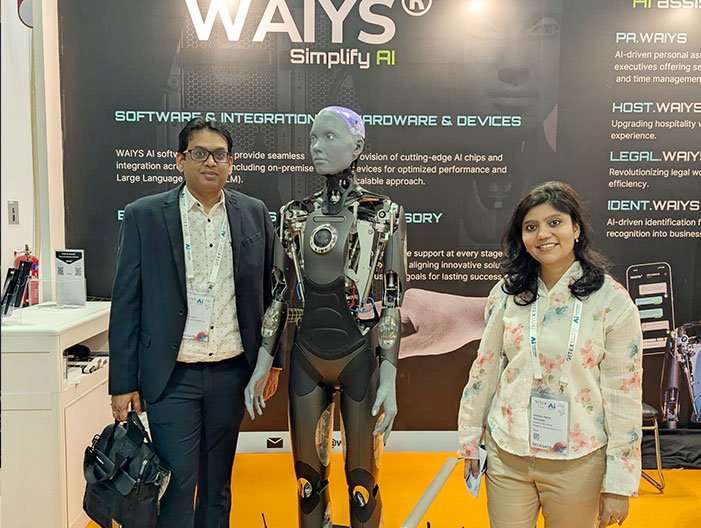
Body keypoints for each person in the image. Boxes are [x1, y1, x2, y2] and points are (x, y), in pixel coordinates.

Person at [108, 117, 282, 527]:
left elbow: (274, 294)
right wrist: (122, 382)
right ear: (180, 160)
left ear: (231, 163)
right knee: (176, 485)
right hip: (173, 376)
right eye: (200, 153)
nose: (210, 162)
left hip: (231, 372)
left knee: (218, 486)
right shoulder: (145, 215)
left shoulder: (254, 213)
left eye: (220, 155)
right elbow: (127, 303)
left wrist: (272, 362)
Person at [244, 106, 406, 527]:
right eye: (313, 138)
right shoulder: (293, 214)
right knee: (307, 483)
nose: (317, 147)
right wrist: (263, 361)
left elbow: (392, 298)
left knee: (362, 485)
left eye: (329, 137)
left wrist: (389, 375)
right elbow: (279, 294)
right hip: (307, 358)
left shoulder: (384, 212)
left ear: (358, 145)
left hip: (361, 359)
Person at [458, 181, 643, 528]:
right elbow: (485, 369)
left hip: (578, 462)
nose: (543, 234)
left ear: (576, 228)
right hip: (508, 453)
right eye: (531, 227)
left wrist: (619, 483)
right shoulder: (507, 293)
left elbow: (624, 393)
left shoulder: (611, 300)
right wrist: (469, 440)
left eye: (554, 222)